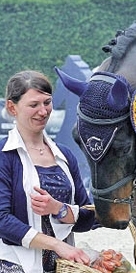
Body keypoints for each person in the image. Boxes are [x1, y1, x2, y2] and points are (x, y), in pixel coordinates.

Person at [0, 70, 95, 272]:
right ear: (12, 107)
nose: (43, 111)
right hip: (14, 264)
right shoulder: (3, 156)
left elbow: (87, 218)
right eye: (33, 105)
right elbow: (2, 220)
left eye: (47, 102)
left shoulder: (65, 156)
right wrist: (57, 245)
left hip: (64, 266)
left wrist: (59, 209)